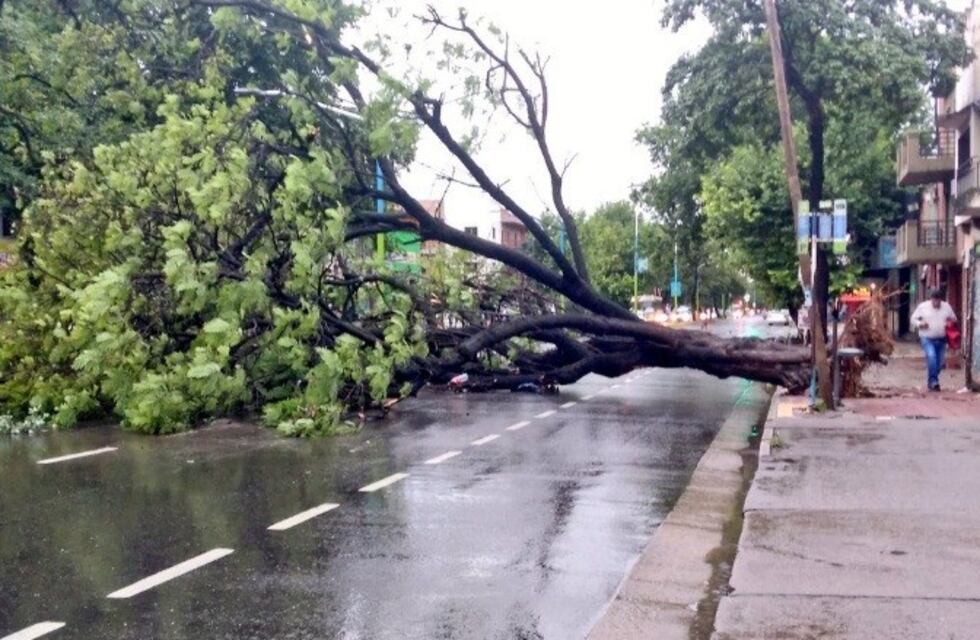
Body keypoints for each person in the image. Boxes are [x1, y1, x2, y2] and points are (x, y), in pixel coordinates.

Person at [910, 288, 957, 391]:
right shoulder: (923, 307)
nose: (936, 302)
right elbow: (913, 319)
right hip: (927, 338)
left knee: (939, 363)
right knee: (932, 357)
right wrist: (920, 324)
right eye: (934, 300)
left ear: (941, 299)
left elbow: (954, 318)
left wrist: (950, 322)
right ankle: (933, 382)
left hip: (942, 339)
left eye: (938, 300)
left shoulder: (946, 307)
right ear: (930, 299)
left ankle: (932, 380)